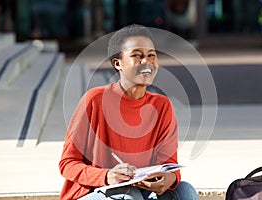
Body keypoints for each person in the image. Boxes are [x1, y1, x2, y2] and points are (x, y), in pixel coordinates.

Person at [59, 24, 199, 200]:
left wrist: (170, 178)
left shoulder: (162, 106)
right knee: (129, 196)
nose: (146, 62)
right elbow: (67, 164)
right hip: (92, 193)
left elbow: (169, 164)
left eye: (151, 56)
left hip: (140, 193)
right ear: (118, 63)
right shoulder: (94, 100)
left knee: (184, 191)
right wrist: (107, 176)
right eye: (137, 56)